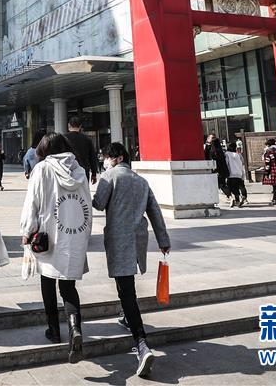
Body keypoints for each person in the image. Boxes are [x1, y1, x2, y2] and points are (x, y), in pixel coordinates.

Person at [93, 142, 170, 379]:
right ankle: (127, 318)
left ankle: (141, 343)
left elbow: (98, 203)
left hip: (120, 239)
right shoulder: (141, 181)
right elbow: (155, 211)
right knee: (127, 284)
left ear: (117, 158)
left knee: (126, 290)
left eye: (107, 157)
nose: (106, 160)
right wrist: (163, 239)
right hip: (138, 239)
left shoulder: (110, 176)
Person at [20, 133, 92, 363]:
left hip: (48, 235)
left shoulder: (42, 169)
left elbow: (32, 201)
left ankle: (53, 329)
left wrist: (27, 230)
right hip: (74, 235)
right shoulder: (79, 170)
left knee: (48, 281)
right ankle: (75, 327)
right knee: (68, 287)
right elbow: (87, 204)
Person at [63, 116, 97, 184]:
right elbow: (92, 158)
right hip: (84, 171)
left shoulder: (63, 138)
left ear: (69, 125)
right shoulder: (87, 139)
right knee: (83, 190)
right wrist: (94, 174)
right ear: (80, 126)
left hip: (67, 171)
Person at [205, 135, 231, 204]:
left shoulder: (213, 150)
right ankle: (230, 196)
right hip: (222, 170)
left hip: (217, 170)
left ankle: (230, 196)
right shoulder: (219, 149)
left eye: (213, 138)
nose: (212, 140)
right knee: (222, 184)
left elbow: (207, 156)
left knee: (221, 184)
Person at [225, 141, 248, 207]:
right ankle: (244, 196)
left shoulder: (227, 154)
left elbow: (226, 163)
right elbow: (241, 163)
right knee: (241, 186)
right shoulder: (237, 154)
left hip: (231, 174)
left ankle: (237, 200)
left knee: (233, 188)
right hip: (239, 173)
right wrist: (242, 174)